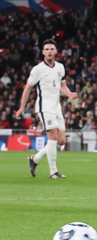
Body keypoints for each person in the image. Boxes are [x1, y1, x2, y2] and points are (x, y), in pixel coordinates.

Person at [15, 39, 78, 179]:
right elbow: (28, 88)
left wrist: (70, 94)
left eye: (52, 49)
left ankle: (35, 159)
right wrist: (22, 107)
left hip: (57, 107)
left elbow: (62, 85)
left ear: (56, 51)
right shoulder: (38, 69)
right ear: (43, 52)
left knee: (61, 141)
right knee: (53, 136)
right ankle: (53, 172)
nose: (49, 52)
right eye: (47, 49)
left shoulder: (60, 67)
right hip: (45, 107)